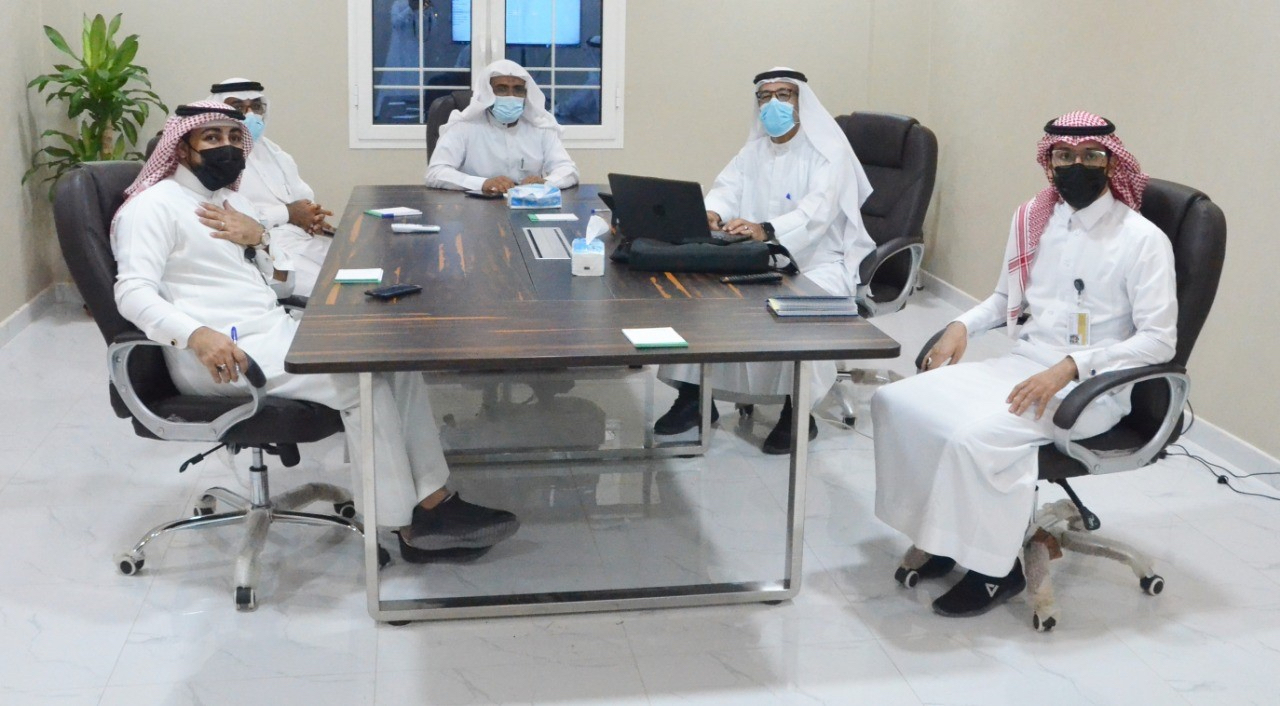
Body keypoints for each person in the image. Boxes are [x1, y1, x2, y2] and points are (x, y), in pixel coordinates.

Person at [111, 101, 519, 562]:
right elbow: (132, 293)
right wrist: (197, 335)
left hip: (273, 333)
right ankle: (404, 525)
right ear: (182, 148)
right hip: (220, 356)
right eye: (212, 138)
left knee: (394, 363)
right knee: (364, 383)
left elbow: (278, 285)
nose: (227, 146)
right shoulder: (152, 207)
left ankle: (433, 500)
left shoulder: (231, 203)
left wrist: (260, 239)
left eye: (233, 137)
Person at [872, 112, 1177, 617]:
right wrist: (962, 325)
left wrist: (1072, 366)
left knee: (974, 439)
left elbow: (1160, 341)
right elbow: (1003, 299)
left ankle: (996, 572)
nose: (1076, 166)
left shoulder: (1142, 241)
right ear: (1049, 162)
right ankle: (945, 538)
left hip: (1091, 390)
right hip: (1023, 365)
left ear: (1110, 162)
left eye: (1091, 156)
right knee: (896, 401)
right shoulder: (1035, 219)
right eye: (1064, 156)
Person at [654, 67, 876, 455]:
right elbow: (726, 189)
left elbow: (816, 214)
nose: (773, 104)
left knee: (801, 311)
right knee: (698, 299)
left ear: (801, 101)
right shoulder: (753, 152)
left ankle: (798, 412)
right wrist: (711, 213)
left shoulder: (829, 154)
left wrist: (766, 229)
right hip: (759, 258)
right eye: (765, 96)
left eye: (784, 95)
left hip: (819, 263)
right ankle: (694, 398)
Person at [209, 78, 334, 298]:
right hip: (261, 249)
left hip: (299, 238)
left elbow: (302, 197)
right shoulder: (218, 159)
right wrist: (289, 213)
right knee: (329, 290)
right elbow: (228, 218)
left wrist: (312, 217)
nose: (250, 115)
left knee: (354, 266)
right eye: (238, 107)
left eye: (256, 106)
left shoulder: (274, 152)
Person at [425, 59, 579, 194]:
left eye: (518, 89)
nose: (511, 96)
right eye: (502, 89)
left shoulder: (540, 127)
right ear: (487, 93)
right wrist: (482, 184)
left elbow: (568, 170)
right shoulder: (464, 126)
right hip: (476, 209)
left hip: (526, 207)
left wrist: (546, 182)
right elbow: (436, 173)